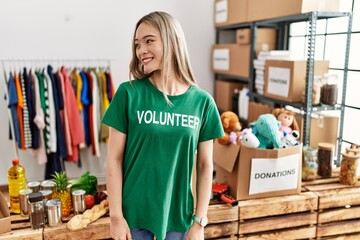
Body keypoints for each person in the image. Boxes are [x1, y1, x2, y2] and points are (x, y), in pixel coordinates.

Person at [102, 11, 224, 240]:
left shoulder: (202, 102)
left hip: (179, 218)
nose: (141, 51)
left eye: (149, 41)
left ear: (173, 42)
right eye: (138, 44)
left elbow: (206, 165)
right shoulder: (128, 94)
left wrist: (200, 221)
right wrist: (116, 217)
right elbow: (114, 159)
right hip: (134, 218)